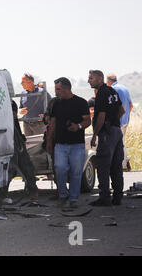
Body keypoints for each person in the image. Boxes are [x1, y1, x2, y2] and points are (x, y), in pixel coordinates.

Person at [46, 77, 91, 208]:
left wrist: (78, 127)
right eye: (55, 89)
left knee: (76, 173)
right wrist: (49, 141)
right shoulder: (56, 104)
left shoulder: (81, 102)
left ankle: (73, 199)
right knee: (59, 169)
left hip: (77, 144)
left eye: (58, 89)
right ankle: (63, 195)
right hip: (60, 144)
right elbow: (52, 124)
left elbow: (87, 120)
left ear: (66, 89)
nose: (56, 92)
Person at [88, 70, 125, 206]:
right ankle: (118, 196)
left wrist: (95, 135)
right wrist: (114, 120)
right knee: (116, 166)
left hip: (107, 133)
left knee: (103, 165)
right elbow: (122, 111)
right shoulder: (113, 92)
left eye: (91, 78)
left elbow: (101, 116)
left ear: (99, 78)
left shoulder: (101, 94)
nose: (88, 81)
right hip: (116, 130)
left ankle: (104, 197)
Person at [0, 100, 39, 202]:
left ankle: (32, 190)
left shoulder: (7, 102)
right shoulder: (2, 102)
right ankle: (2, 194)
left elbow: (13, 117)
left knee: (23, 166)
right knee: (8, 168)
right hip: (7, 139)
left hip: (15, 140)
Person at [107, 73, 133, 169]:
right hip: (126, 120)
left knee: (119, 143)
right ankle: (125, 163)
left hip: (118, 121)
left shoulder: (113, 90)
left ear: (109, 81)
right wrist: (126, 115)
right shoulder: (125, 88)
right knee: (122, 141)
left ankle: (122, 165)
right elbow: (131, 105)